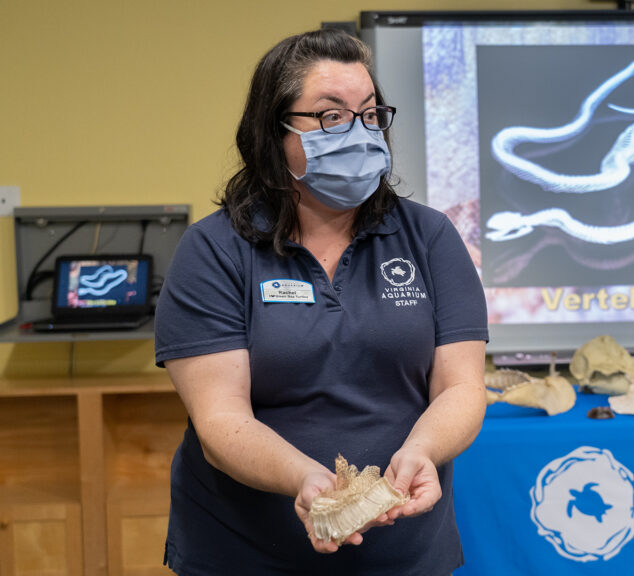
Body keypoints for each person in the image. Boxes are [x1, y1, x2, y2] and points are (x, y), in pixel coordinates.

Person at [154, 28, 488, 575]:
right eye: (331, 116)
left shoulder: (428, 237)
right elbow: (220, 421)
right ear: (274, 130)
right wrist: (307, 481)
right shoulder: (216, 249)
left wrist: (422, 452)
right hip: (246, 554)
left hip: (405, 555)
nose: (358, 132)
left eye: (370, 114)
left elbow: (462, 387)